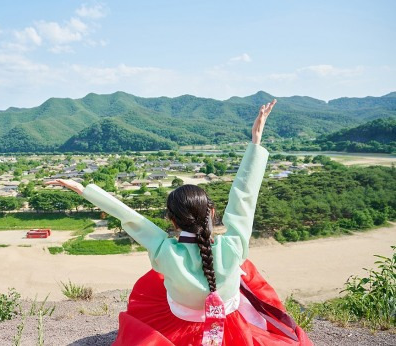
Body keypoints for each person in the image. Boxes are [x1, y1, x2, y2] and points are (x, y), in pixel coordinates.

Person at [45, 100, 313, 345]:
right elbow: (244, 197)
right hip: (229, 316)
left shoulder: (165, 251)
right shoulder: (233, 246)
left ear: (171, 218)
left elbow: (129, 216)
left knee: (153, 282)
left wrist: (82, 189)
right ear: (212, 212)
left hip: (182, 318)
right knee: (246, 271)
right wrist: (255, 142)